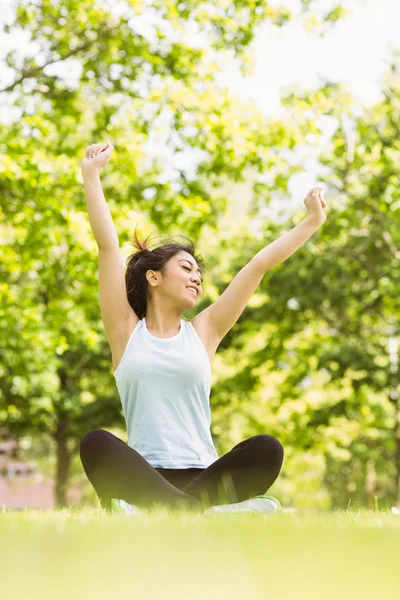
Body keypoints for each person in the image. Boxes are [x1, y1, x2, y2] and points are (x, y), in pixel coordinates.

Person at [79, 140, 327, 514]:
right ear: (153, 278)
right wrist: (91, 175)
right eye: (185, 268)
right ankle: (206, 512)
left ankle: (156, 511)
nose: (197, 278)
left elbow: (257, 266)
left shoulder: (204, 332)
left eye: (199, 272)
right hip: (145, 474)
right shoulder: (126, 332)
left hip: (205, 474)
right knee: (96, 442)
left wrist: (311, 222)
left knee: (267, 449)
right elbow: (107, 247)